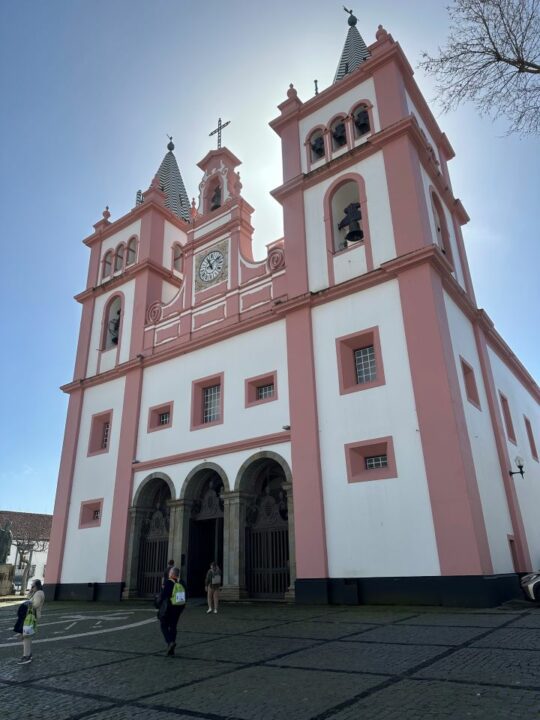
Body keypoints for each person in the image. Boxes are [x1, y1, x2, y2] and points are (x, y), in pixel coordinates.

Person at [157, 566, 185, 656]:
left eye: (170, 573)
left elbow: (164, 596)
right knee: (173, 626)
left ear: (172, 574)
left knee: (163, 625)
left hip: (169, 608)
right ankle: (171, 649)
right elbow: (186, 595)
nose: (169, 574)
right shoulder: (182, 582)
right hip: (178, 608)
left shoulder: (168, 583)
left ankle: (170, 642)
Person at [17, 579, 45, 665]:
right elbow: (28, 598)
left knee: (26, 636)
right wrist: (30, 592)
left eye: (32, 586)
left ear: (36, 586)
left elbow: (36, 605)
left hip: (31, 617)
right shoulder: (36, 593)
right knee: (26, 636)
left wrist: (28, 603)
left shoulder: (39, 593)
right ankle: (28, 654)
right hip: (31, 617)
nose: (31, 587)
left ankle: (27, 656)